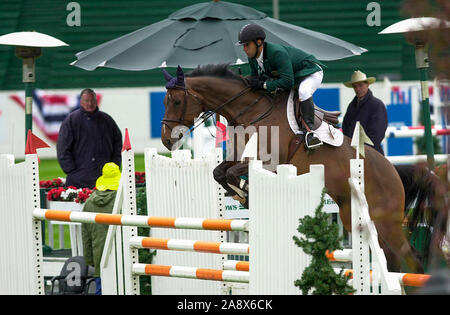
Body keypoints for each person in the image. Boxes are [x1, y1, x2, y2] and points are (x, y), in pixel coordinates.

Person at [236, 23, 326, 150]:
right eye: (243, 45)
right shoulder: (253, 58)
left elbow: (287, 82)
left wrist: (264, 84)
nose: (244, 49)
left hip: (310, 73)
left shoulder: (276, 53)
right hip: (293, 76)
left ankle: (310, 133)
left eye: (247, 45)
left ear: (259, 42)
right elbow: (256, 78)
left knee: (304, 91)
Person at [57, 88, 122, 188]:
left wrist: (114, 165)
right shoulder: (71, 120)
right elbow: (62, 147)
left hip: (105, 178)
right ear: (81, 102)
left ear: (96, 101)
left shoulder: (107, 120)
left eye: (92, 100)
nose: (90, 103)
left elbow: (118, 143)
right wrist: (71, 170)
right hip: (78, 179)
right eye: (86, 101)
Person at [82, 162, 121, 295]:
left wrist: (90, 260)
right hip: (120, 258)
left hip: (99, 259)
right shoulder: (122, 201)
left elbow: (86, 236)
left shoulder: (88, 203)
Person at [342, 70, 388, 155]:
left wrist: (360, 151)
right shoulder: (352, 106)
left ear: (367, 85)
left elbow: (377, 134)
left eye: (360, 85)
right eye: (355, 86)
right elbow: (345, 129)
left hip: (370, 155)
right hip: (355, 154)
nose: (357, 89)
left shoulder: (376, 105)